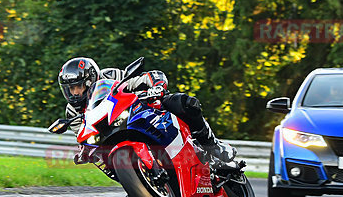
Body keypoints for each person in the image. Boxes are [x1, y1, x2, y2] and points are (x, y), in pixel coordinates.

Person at [57, 56, 236, 164]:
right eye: (70, 89)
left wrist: (155, 86)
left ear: (90, 79)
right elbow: (83, 135)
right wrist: (85, 152)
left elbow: (138, 80)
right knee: (103, 161)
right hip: (109, 137)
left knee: (183, 102)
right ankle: (143, 184)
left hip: (142, 109)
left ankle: (212, 144)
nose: (75, 92)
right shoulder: (72, 111)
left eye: (78, 86)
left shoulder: (109, 76)